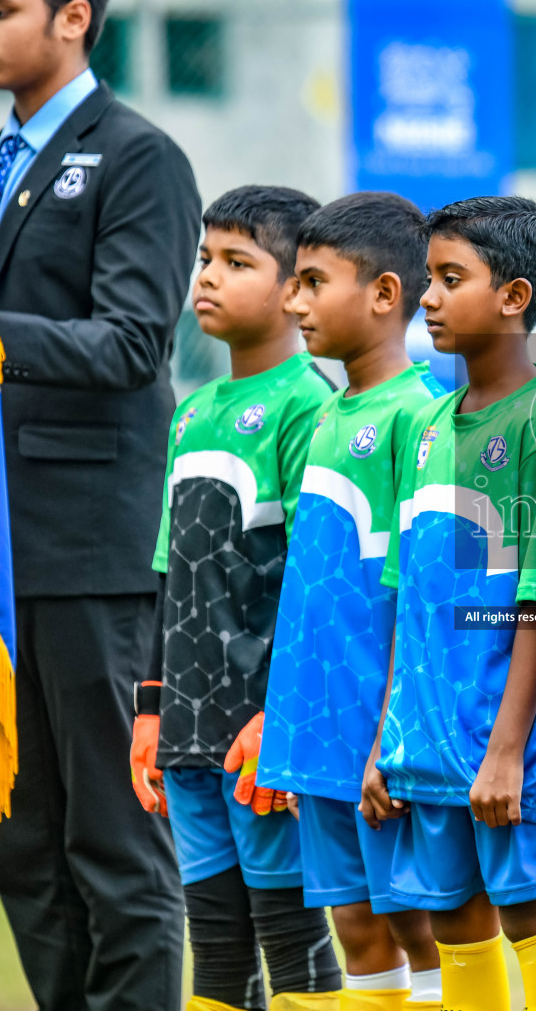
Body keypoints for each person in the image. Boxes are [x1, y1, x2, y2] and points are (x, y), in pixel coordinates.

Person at [0, 0, 200, 1006]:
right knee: (26, 851)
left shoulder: (139, 155)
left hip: (92, 550)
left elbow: (134, 342)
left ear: (74, 17)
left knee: (113, 842)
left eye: (0, 6)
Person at [363, 197, 536, 1011]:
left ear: (514, 297)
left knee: (530, 915)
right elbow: (406, 597)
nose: (428, 297)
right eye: (429, 277)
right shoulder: (424, 425)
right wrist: (386, 739)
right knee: (455, 924)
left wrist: (504, 750)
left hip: (505, 747)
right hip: (421, 743)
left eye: (450, 278)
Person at [129, 186, 342, 1011]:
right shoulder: (192, 414)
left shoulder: (309, 407)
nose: (206, 280)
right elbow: (165, 578)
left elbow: (311, 587)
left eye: (236, 263)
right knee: (213, 943)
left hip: (265, 737)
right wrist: (152, 709)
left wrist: (280, 718)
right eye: (204, 261)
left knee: (289, 936)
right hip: (188, 728)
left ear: (296, 288)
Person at [248, 192, 448, 1011]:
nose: (293, 302)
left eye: (313, 281)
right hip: (319, 728)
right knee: (356, 929)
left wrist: (389, 737)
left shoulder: (418, 413)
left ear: (385, 294)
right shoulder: (327, 413)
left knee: (420, 922)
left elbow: (416, 592)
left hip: (381, 734)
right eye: (292, 281)